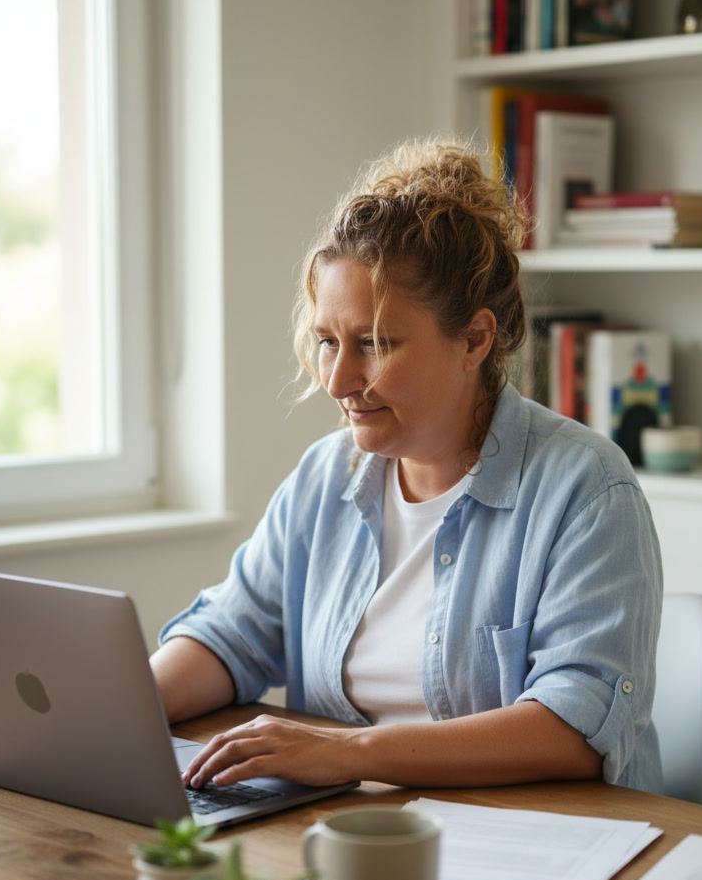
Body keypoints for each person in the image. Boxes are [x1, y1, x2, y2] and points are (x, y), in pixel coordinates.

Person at [151, 139, 663, 795]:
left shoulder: (586, 489)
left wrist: (350, 754)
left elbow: (573, 727)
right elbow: (231, 634)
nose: (338, 380)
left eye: (375, 344)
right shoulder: (324, 478)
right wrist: (121, 707)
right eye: (329, 342)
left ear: (475, 340)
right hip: (348, 835)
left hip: (530, 843)